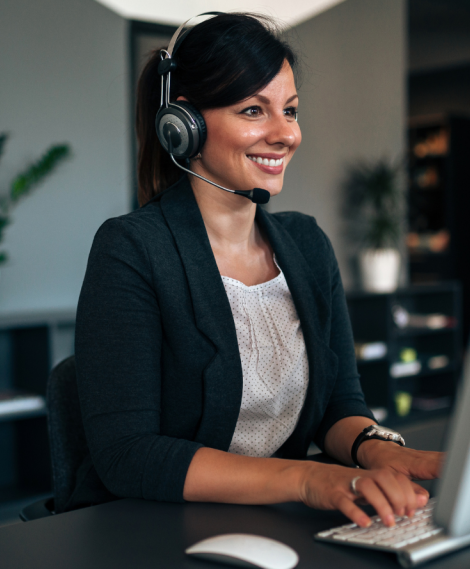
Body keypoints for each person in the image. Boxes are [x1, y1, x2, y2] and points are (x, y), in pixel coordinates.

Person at [71, 12, 443, 528]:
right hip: (156, 530)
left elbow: (339, 404)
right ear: (183, 126)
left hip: (274, 519)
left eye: (289, 111)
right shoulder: (132, 249)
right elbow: (127, 453)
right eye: (253, 110)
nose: (284, 134)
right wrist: (308, 479)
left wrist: (379, 451)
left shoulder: (307, 245)